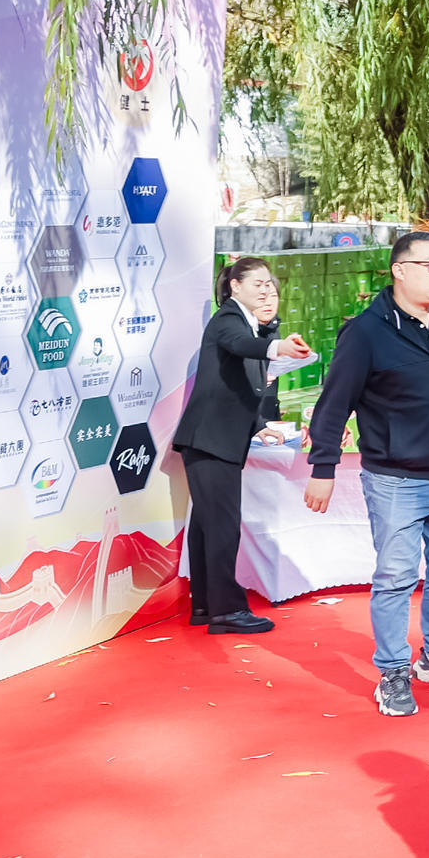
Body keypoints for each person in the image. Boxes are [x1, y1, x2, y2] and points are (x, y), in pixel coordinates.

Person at [304, 230, 429, 717]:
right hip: (395, 481)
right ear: (399, 270)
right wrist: (323, 466)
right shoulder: (366, 332)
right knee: (396, 577)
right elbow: (333, 404)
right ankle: (393, 671)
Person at [173, 255, 313, 632]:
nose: (266, 291)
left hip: (216, 440)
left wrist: (260, 425)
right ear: (235, 287)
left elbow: (240, 386)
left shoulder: (251, 325)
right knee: (222, 527)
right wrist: (277, 346)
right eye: (258, 284)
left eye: (270, 285)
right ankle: (227, 610)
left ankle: (206, 606)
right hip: (210, 440)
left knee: (207, 526)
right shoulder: (228, 319)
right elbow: (239, 345)